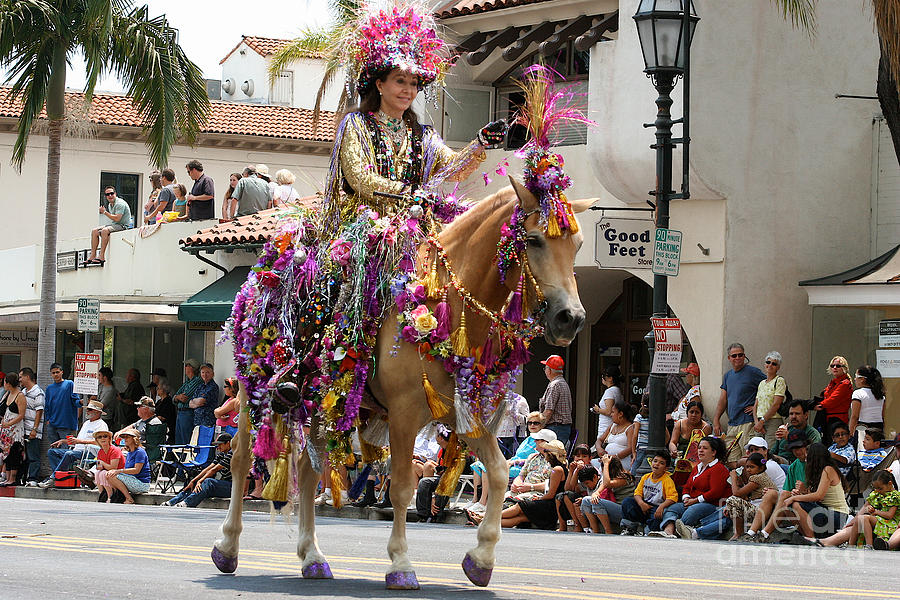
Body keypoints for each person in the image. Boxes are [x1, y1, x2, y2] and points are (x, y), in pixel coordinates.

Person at [652, 436, 731, 538]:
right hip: (691, 501)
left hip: (711, 504)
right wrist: (686, 498)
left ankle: (679, 531)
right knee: (672, 508)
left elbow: (715, 492)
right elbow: (687, 486)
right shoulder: (697, 467)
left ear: (713, 452)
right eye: (699, 448)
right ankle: (669, 532)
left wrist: (695, 501)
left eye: (705, 448)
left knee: (693, 511)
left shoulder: (719, 468)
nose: (700, 451)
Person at [748, 429, 810, 542]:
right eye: (793, 448)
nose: (796, 451)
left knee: (788, 501)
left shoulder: (813, 462)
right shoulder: (794, 466)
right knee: (774, 494)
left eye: (799, 447)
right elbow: (786, 492)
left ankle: (812, 539)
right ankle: (753, 533)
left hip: (812, 505)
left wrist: (801, 492)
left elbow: (819, 494)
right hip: (788, 503)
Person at [781, 442, 849, 543]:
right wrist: (801, 493)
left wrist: (794, 498)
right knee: (787, 508)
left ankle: (811, 538)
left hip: (838, 515)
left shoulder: (828, 469)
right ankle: (806, 536)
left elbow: (818, 496)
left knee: (795, 504)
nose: (806, 460)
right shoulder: (818, 472)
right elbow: (815, 497)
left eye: (808, 457)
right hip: (824, 511)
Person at [714, 343, 765, 467]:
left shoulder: (753, 372)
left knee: (748, 459)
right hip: (732, 424)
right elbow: (723, 399)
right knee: (731, 461)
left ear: (744, 356)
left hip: (747, 423)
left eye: (740, 355)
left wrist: (756, 407)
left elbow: (768, 388)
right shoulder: (727, 376)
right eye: (734, 355)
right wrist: (716, 420)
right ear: (729, 358)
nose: (737, 358)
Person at [819, 470, 899, 549]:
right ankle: (850, 545)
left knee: (864, 518)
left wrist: (875, 512)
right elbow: (864, 508)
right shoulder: (877, 494)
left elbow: (889, 515)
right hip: (878, 519)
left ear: (889, 484)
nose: (877, 491)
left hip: (889, 522)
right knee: (859, 519)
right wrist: (851, 522)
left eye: (880, 488)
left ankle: (869, 545)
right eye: (875, 488)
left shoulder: (894, 496)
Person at [38, 399, 108, 487]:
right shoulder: (86, 423)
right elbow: (78, 440)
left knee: (69, 454)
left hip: (91, 452)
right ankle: (62, 476)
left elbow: (101, 442)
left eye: (90, 410)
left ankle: (54, 478)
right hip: (78, 450)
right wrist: (63, 441)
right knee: (52, 452)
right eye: (87, 409)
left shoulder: (101, 425)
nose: (87, 411)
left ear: (97, 412)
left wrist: (80, 441)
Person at [499, 440, 567, 529]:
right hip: (548, 503)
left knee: (521, 506)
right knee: (519, 519)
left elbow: (551, 494)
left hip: (550, 506)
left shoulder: (557, 470)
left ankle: (485, 518)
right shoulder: (559, 468)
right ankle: (482, 521)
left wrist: (538, 498)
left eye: (545, 452)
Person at [162, 433, 235, 507]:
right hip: (225, 485)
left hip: (233, 487)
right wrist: (194, 481)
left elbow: (214, 470)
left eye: (220, 444)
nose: (218, 447)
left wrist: (200, 481)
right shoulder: (222, 454)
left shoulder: (232, 454)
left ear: (228, 443)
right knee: (194, 484)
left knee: (208, 482)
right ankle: (172, 502)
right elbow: (208, 468)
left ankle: (187, 503)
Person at [620, 451, 678, 535]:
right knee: (627, 502)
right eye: (655, 461)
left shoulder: (667, 480)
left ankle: (649, 531)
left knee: (657, 517)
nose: (657, 464)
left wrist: (661, 507)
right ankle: (629, 527)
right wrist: (641, 503)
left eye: (661, 463)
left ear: (666, 468)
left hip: (657, 507)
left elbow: (672, 497)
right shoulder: (645, 477)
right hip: (644, 505)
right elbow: (637, 493)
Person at [723, 452, 776, 540]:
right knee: (731, 503)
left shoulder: (757, 478)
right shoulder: (757, 476)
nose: (748, 470)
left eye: (752, 467)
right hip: (758, 509)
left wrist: (733, 478)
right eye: (747, 467)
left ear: (761, 468)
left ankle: (739, 534)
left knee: (732, 500)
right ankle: (738, 533)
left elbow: (737, 494)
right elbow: (743, 496)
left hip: (763, 512)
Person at [580, 455, 635, 534]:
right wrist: (595, 494)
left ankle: (608, 531)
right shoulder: (609, 479)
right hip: (613, 509)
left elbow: (607, 484)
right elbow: (598, 491)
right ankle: (595, 531)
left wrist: (606, 464)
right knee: (586, 500)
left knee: (597, 502)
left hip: (625, 512)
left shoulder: (626, 477)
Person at [87, 185, 132, 265]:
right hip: (116, 224)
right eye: (107, 194)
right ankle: (92, 255)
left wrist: (104, 212)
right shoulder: (110, 205)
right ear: (106, 196)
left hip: (124, 226)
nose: (110, 196)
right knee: (94, 231)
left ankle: (101, 256)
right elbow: (114, 220)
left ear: (115, 193)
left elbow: (117, 219)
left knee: (104, 231)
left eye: (111, 193)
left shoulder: (119, 204)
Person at [106, 428, 151, 504]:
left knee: (112, 475)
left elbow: (136, 470)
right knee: (109, 474)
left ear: (134, 439)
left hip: (142, 483)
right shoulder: (129, 452)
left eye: (127, 437)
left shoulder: (140, 452)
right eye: (124, 437)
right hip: (132, 479)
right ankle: (116, 497)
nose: (125, 439)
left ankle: (129, 498)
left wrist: (119, 471)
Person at [751, 351, 786, 447]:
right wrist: (757, 423)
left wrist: (762, 421)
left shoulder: (779, 381)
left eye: (774, 364)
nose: (770, 365)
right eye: (768, 362)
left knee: (770, 450)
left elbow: (776, 404)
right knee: (757, 450)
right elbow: (755, 405)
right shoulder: (761, 383)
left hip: (773, 421)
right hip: (759, 421)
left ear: (778, 367)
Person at [816, 355, 852, 446]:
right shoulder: (833, 383)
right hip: (829, 419)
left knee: (835, 444)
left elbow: (832, 400)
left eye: (838, 366)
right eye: (833, 366)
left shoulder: (844, 383)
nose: (835, 368)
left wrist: (819, 405)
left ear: (844, 368)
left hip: (838, 420)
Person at [555, 444, 593, 531]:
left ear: (590, 458)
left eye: (584, 456)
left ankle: (578, 525)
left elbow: (574, 488)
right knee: (559, 496)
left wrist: (577, 471)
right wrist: (572, 471)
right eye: (578, 456)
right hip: (576, 496)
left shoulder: (590, 469)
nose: (580, 459)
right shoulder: (574, 468)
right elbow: (567, 488)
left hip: (587, 497)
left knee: (567, 495)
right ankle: (562, 526)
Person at [42, 363, 81, 446]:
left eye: (57, 372)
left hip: (66, 424)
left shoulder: (69, 384)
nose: (55, 374)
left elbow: (75, 401)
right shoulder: (49, 388)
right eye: (53, 373)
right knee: (54, 451)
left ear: (62, 372)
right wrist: (48, 420)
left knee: (65, 451)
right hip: (52, 425)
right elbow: (47, 406)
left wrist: (81, 402)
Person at [538, 355, 572, 445]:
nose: (545, 371)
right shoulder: (563, 383)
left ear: (549, 370)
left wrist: (539, 426)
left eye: (545, 368)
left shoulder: (554, 385)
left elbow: (548, 411)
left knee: (551, 456)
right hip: (562, 428)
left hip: (555, 428)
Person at [0, 373, 27, 487]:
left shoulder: (20, 396)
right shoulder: (7, 394)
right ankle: (6, 477)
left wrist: (9, 423)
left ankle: (13, 478)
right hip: (5, 429)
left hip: (15, 429)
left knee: (14, 453)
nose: (4, 384)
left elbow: (21, 415)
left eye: (5, 382)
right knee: (6, 453)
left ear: (9, 383)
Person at [594, 400, 636, 472]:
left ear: (620, 414)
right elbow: (599, 440)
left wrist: (615, 457)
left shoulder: (630, 428)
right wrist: (599, 449)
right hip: (607, 462)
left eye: (613, 412)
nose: (611, 414)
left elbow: (630, 448)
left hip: (621, 464)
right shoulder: (612, 426)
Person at [18, 368, 44, 485]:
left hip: (32, 430)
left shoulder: (38, 392)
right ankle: (24, 477)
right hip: (23, 429)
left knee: (33, 455)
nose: (20, 380)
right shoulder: (23, 392)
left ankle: (33, 478)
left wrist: (35, 429)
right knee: (25, 456)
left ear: (27, 377)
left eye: (21, 377)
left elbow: (39, 411)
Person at [848, 364, 885, 442]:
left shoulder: (858, 393)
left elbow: (855, 416)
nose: (855, 379)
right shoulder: (880, 395)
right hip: (879, 428)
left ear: (862, 379)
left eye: (856, 376)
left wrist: (850, 434)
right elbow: (882, 416)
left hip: (863, 428)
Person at [91, 429, 124, 501]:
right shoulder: (100, 451)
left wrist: (102, 463)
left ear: (109, 438)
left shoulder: (115, 450)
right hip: (108, 472)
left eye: (105, 436)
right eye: (100, 437)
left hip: (120, 473)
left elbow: (113, 467)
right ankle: (102, 494)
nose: (102, 438)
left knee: (103, 473)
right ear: (97, 440)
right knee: (98, 473)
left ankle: (110, 496)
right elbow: (99, 467)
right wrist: (99, 466)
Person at [174, 359, 202, 444]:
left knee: (185, 438)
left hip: (187, 413)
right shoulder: (187, 382)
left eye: (187, 365)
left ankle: (186, 457)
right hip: (180, 413)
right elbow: (176, 396)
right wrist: (177, 397)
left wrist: (178, 397)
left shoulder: (197, 381)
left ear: (192, 368)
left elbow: (184, 397)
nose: (185, 367)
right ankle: (179, 457)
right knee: (179, 439)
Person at [592, 365, 623, 443]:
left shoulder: (610, 391)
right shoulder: (617, 390)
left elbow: (609, 411)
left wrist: (597, 409)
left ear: (610, 378)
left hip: (606, 425)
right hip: (612, 425)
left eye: (604, 376)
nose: (602, 378)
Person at [497, 391, 529, 459]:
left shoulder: (520, 400)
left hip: (515, 438)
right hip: (497, 437)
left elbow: (527, 420)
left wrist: (514, 414)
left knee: (513, 462)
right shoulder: (493, 399)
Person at [191, 363, 220, 429]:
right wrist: (196, 401)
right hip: (197, 421)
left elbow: (201, 401)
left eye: (207, 372)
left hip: (207, 421)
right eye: (203, 372)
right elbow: (190, 403)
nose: (205, 375)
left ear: (212, 374)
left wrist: (196, 401)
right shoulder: (200, 386)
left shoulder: (213, 387)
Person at [116, 368, 144, 432]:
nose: (126, 377)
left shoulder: (136, 386)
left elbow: (132, 401)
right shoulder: (131, 385)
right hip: (126, 417)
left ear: (132, 377)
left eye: (128, 375)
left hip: (130, 417)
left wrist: (121, 399)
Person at [97, 367, 118, 431]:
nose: (98, 377)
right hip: (97, 416)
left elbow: (102, 405)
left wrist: (91, 401)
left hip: (105, 418)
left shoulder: (111, 390)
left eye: (100, 375)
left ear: (105, 377)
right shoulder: (100, 386)